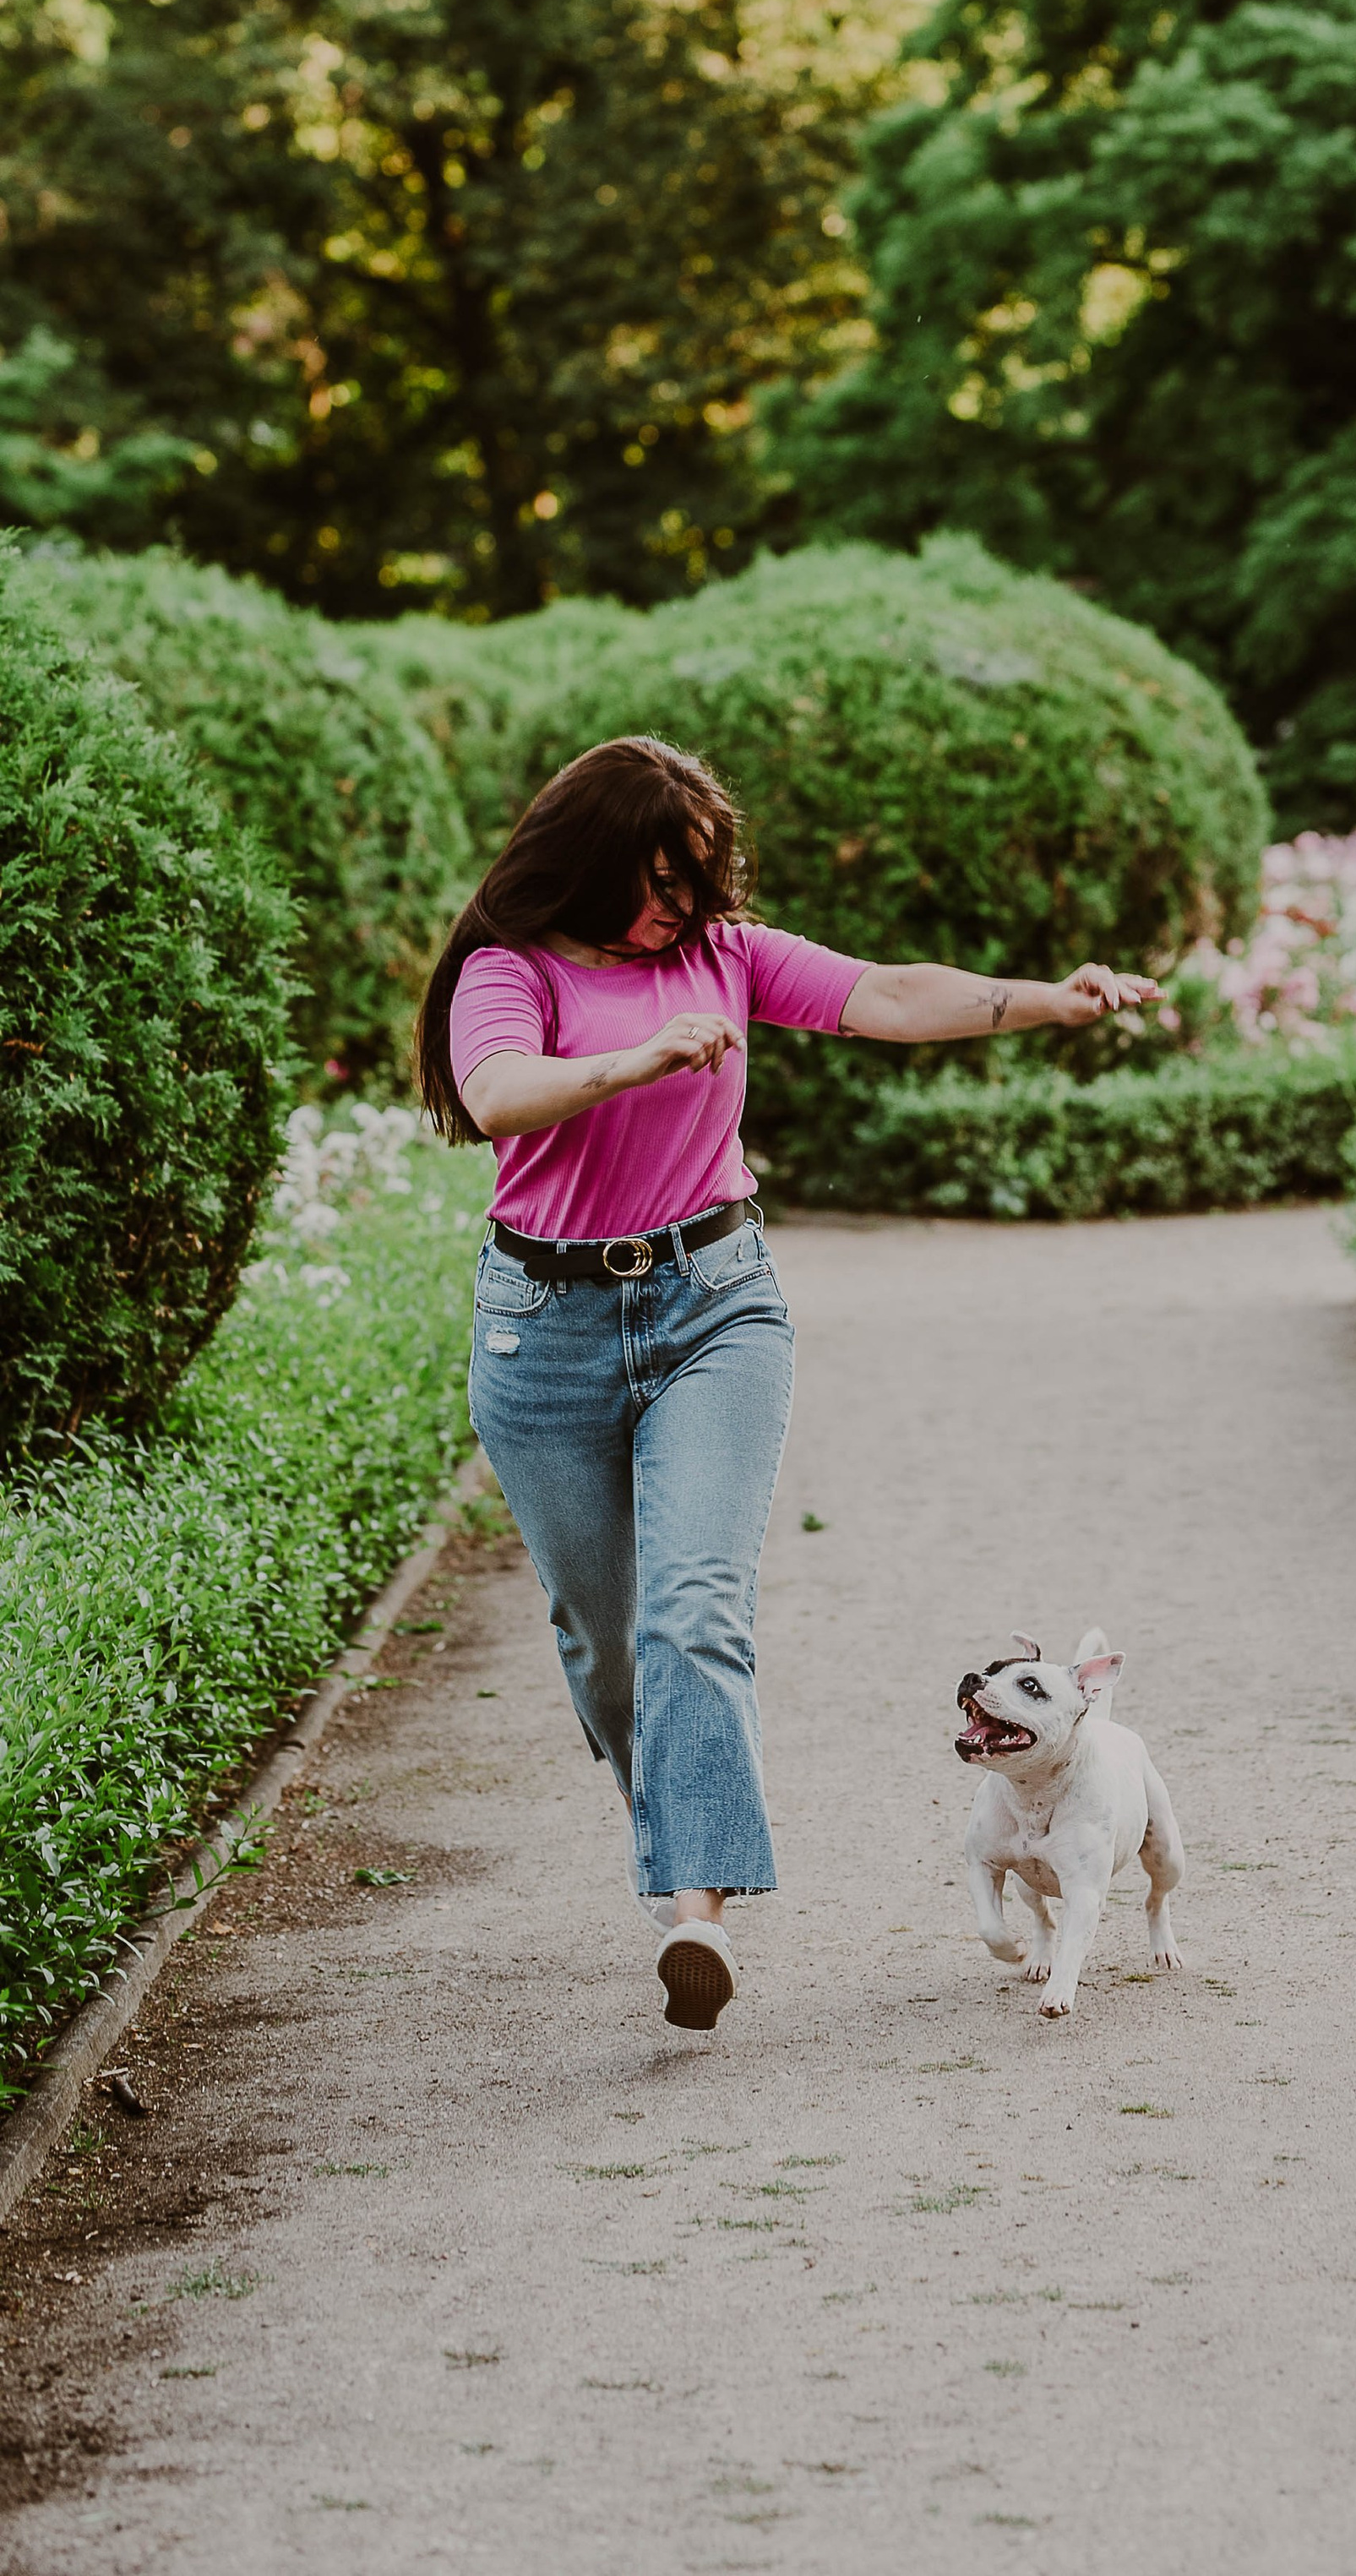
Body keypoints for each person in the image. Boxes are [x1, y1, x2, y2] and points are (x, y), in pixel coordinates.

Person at [415, 732, 1157, 2030]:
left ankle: (695, 1911)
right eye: (659, 878)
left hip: (716, 1306)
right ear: (588, 861)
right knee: (605, 1640)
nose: (684, 908)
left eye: (701, 879)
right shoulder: (508, 967)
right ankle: (675, 1827)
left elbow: (890, 993)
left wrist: (1053, 997)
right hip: (546, 1327)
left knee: (695, 1609)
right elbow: (496, 1095)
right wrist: (635, 1061)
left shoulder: (727, 953)